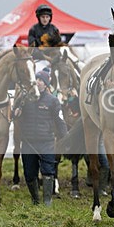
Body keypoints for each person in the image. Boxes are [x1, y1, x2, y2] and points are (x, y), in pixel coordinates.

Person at [16, 69, 67, 205]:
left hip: (47, 142)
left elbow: (60, 120)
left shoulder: (53, 101)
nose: (38, 82)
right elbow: (15, 115)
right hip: (28, 143)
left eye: (41, 80)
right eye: (36, 79)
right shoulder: (25, 99)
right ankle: (35, 200)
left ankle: (47, 201)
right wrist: (18, 106)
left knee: (48, 171)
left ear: (45, 84)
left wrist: (66, 138)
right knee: (29, 173)